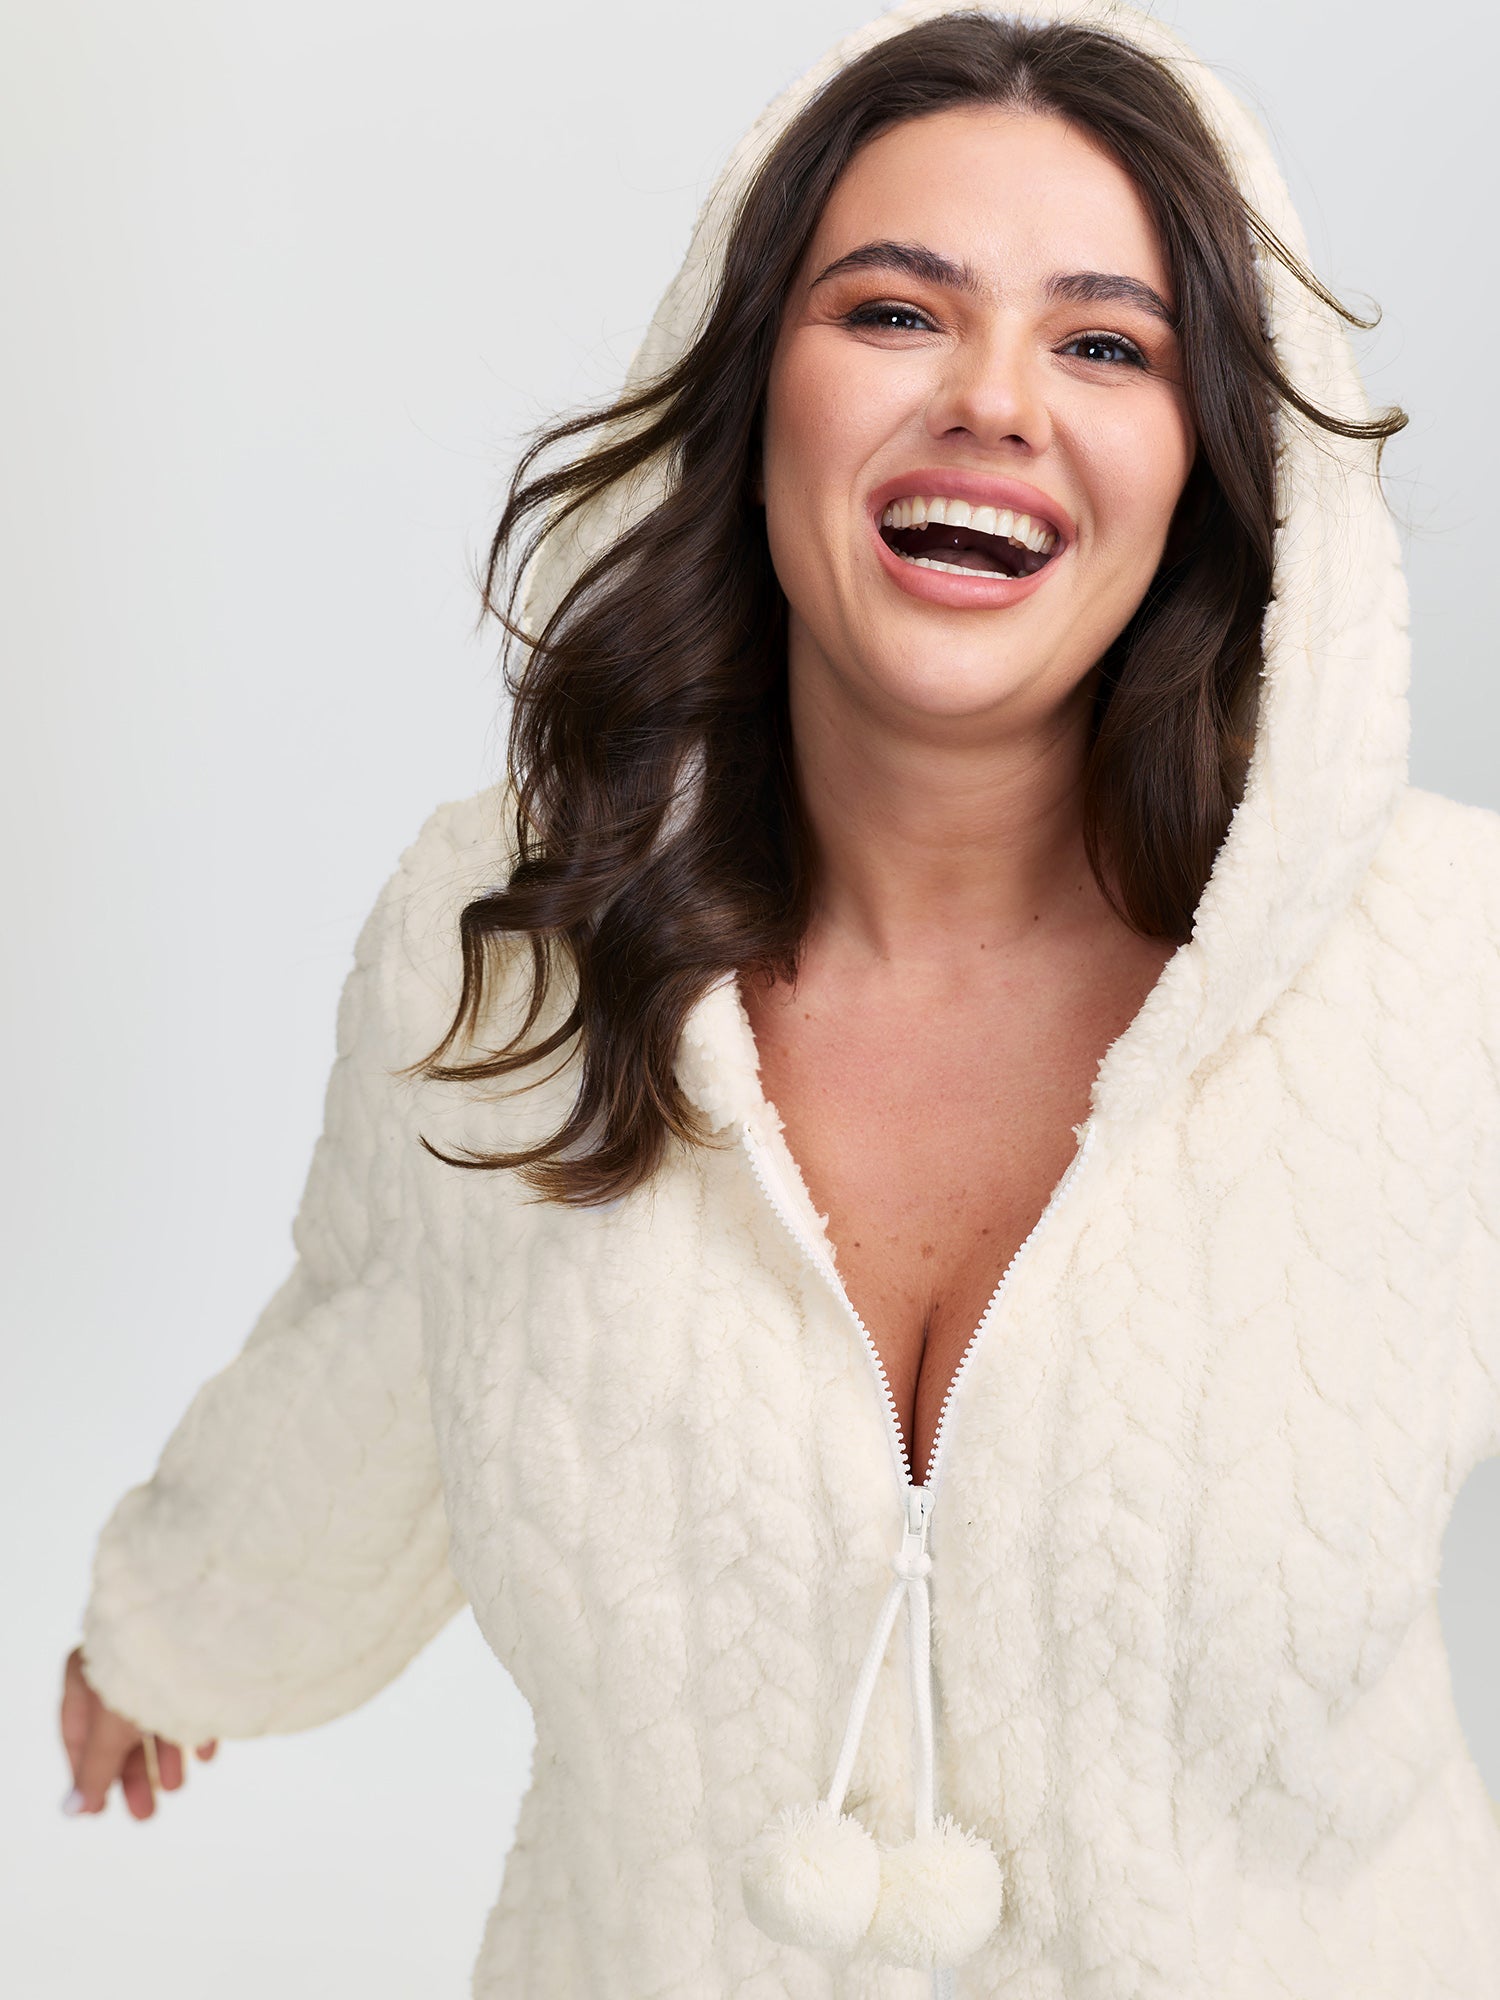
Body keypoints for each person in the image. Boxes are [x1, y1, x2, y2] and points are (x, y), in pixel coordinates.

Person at [59, 0, 1500, 1994]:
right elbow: (367, 1349)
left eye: (1106, 344)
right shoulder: (502, 938)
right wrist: (172, 1632)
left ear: (1208, 461)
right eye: (895, 312)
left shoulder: (1449, 966)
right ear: (752, 399)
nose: (994, 399)